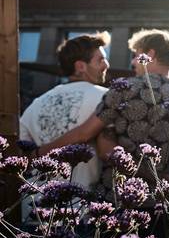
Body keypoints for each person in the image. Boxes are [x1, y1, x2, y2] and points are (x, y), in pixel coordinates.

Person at [39, 29, 169, 192]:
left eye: (136, 55)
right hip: (158, 198)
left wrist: (39, 153)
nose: (133, 62)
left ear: (150, 54)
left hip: (115, 194)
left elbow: (86, 136)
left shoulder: (123, 89)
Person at [20, 32, 110, 190]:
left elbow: (20, 152)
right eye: (100, 60)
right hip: (80, 200)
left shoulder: (36, 104)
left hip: (33, 199)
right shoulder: (106, 97)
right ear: (80, 66)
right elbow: (108, 152)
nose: (106, 65)